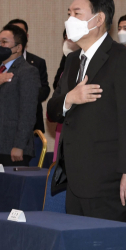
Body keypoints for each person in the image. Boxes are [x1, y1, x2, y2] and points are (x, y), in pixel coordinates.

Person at [48, 0, 126, 222]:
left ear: (99, 19)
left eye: (77, 13)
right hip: (75, 177)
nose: (70, 20)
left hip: (111, 179)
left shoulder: (123, 59)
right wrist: (70, 99)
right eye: (69, 13)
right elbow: (52, 108)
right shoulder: (74, 59)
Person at [0, 24, 40, 167]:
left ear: (18, 47)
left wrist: (19, 145)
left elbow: (28, 112)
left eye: (4, 42)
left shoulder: (27, 71)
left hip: (14, 147)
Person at [0, 19, 50, 134]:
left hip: (20, 130)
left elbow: (42, 91)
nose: (0, 45)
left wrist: (23, 92)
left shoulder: (33, 66)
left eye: (4, 41)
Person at [52, 30, 80, 161]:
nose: (67, 41)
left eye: (70, 38)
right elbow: (52, 105)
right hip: (63, 124)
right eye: (65, 37)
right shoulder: (66, 67)